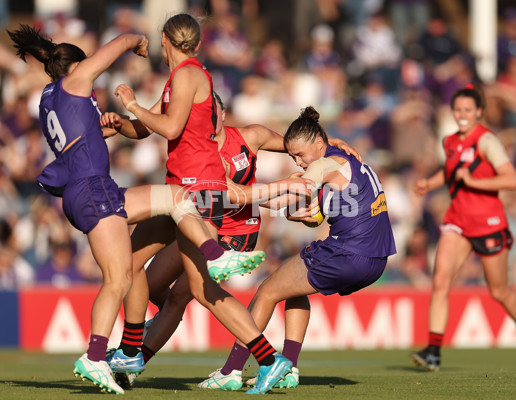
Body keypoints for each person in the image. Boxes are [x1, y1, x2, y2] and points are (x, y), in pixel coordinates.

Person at [7, 24, 261, 395]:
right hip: (94, 189)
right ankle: (95, 356)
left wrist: (114, 126)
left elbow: (86, 137)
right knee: (118, 279)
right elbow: (121, 43)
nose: (92, 85)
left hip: (93, 190)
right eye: (87, 72)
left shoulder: (50, 101)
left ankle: (206, 262)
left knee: (176, 200)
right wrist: (139, 42)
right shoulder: (75, 82)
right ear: (77, 68)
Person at [100, 14, 291, 394]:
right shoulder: (180, 78)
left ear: (165, 41)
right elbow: (148, 127)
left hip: (197, 189)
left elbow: (168, 128)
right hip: (181, 189)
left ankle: (132, 349)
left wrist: (133, 104)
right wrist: (121, 123)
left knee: (185, 282)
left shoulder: (188, 75)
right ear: (197, 43)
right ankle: (131, 350)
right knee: (134, 263)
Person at [134, 94, 359, 390]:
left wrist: (331, 147)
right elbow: (229, 196)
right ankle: (159, 327)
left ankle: (137, 360)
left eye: (210, 112)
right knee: (150, 286)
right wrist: (283, 193)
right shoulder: (199, 154)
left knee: (182, 296)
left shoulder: (251, 136)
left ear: (223, 114)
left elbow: (298, 144)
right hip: (201, 228)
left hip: (233, 234)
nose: (205, 119)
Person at [200, 105, 396, 392]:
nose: (298, 161)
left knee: (266, 292)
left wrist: (241, 194)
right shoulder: (346, 162)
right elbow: (306, 212)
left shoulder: (322, 165)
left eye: (300, 155)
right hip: (376, 259)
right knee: (292, 289)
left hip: (347, 253)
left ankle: (231, 370)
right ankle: (289, 368)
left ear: (319, 144)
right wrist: (297, 204)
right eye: (291, 155)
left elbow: (292, 198)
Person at [411, 83, 516, 372]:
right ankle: (433, 351)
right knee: (440, 280)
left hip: (488, 223)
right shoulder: (451, 141)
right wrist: (429, 184)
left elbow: (510, 180)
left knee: (499, 291)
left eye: (468, 110)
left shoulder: (487, 141)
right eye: (458, 109)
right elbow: (450, 171)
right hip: (458, 220)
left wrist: (474, 182)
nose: (462, 114)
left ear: (479, 112)